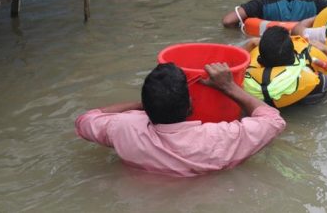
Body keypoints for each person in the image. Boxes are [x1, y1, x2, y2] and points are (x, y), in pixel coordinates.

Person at [74, 62, 286, 177]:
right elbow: (273, 121)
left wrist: (142, 105)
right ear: (190, 106)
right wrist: (229, 87)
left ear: (146, 107)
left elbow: (85, 120)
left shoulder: (123, 128)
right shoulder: (217, 138)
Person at [242, 26, 327, 108]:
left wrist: (250, 44)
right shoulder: (318, 82)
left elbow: (236, 67)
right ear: (295, 56)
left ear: (260, 62)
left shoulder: (245, 83)